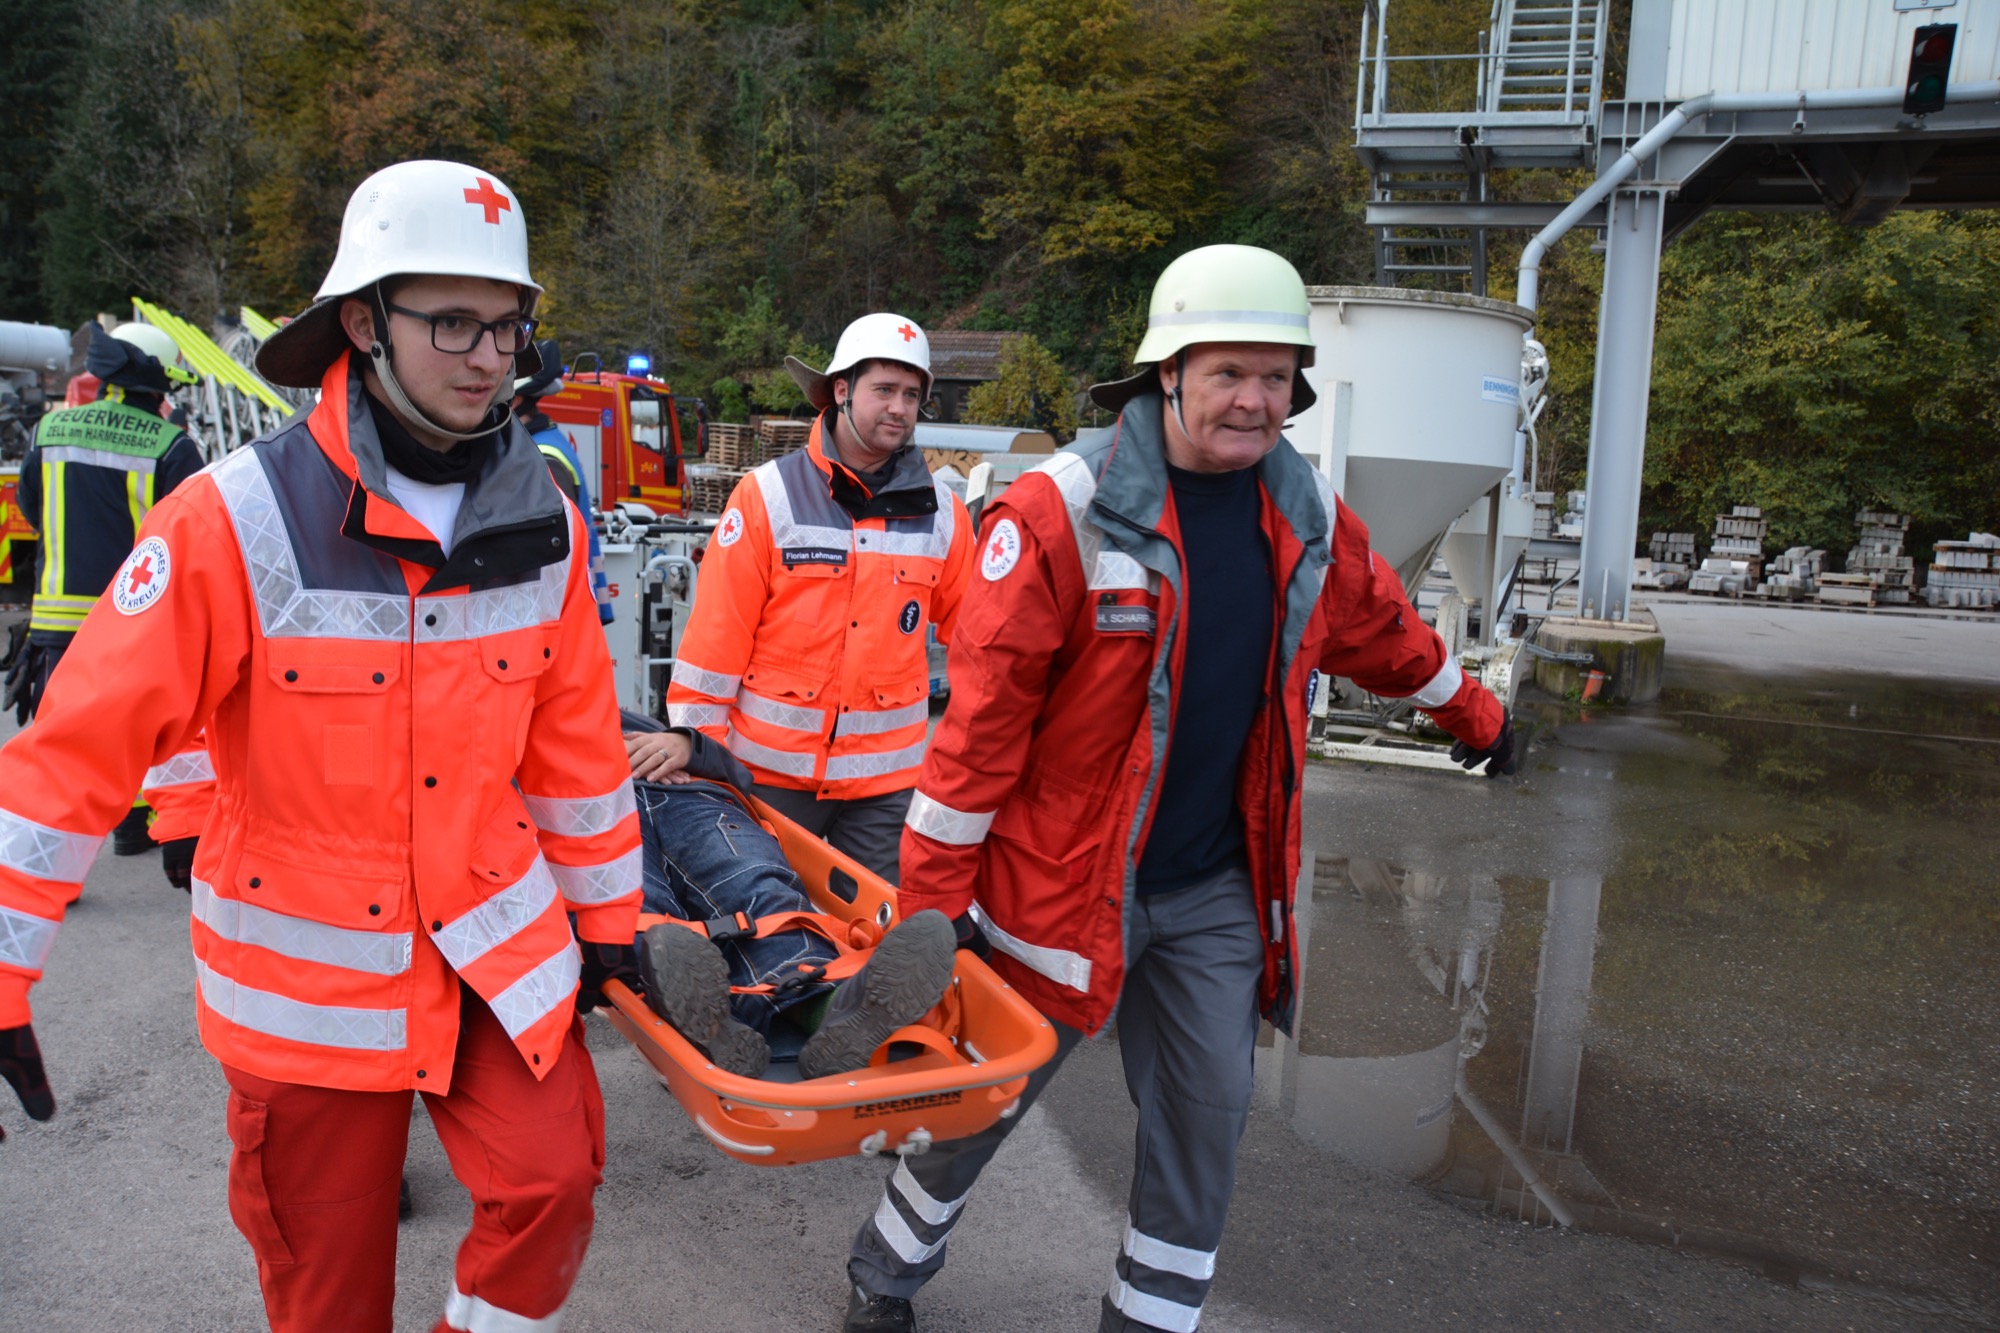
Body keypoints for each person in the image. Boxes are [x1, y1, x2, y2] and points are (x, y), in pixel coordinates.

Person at [0, 159, 643, 1333]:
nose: (489, 355)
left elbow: (576, 753)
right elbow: (69, 754)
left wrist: (608, 929)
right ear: (362, 321)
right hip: (308, 995)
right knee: (325, 1290)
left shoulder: (539, 518)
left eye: (508, 326)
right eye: (453, 321)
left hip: (490, 950)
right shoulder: (231, 516)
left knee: (552, 1185)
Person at [839, 245, 1517, 1333]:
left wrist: (1480, 717)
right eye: (1227, 373)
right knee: (982, 1099)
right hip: (1055, 889)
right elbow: (977, 734)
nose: (1255, 399)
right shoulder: (1063, 510)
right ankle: (887, 1269)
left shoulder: (1305, 513)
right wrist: (934, 907)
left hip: (1215, 890)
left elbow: (1383, 631)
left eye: (1274, 376)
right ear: (1166, 374)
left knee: (1207, 1116)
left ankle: (1147, 1319)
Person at [662, 314, 974, 883]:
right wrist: (701, 757)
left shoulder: (945, 516)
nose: (899, 409)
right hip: (769, 780)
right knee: (769, 931)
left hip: (884, 793)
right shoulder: (766, 497)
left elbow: (978, 648)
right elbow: (714, 645)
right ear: (841, 390)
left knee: (879, 940)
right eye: (884, 390)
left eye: (910, 395)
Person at [619, 713, 957, 1081]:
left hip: (692, 795)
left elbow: (737, 776)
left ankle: (831, 1010)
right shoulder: (552, 732)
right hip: (589, 802)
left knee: (758, 886)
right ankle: (712, 1020)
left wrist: (690, 746)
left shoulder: (630, 719)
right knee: (636, 912)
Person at [5, 321, 207, 854]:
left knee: (60, 743)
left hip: (56, 622)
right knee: (138, 725)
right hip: (133, 622)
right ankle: (131, 824)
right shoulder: (171, 445)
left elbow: (32, 507)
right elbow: (198, 531)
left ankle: (44, 859)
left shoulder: (49, 432)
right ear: (157, 383)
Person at [515, 338, 615, 624]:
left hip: (557, 616)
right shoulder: (545, 442)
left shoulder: (542, 458)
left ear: (516, 399)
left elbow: (550, 558)